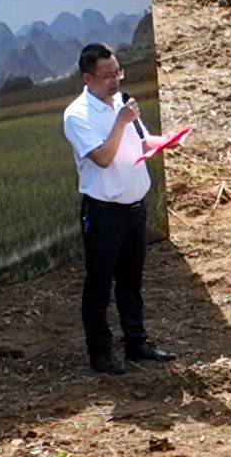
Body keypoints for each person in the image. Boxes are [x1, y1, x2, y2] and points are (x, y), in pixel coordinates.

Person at [65, 41, 182, 370]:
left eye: (117, 72)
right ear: (87, 78)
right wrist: (120, 121)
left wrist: (169, 139)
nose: (114, 81)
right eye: (106, 76)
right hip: (104, 212)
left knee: (132, 280)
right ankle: (100, 352)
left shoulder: (123, 101)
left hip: (134, 207)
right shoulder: (77, 115)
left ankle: (136, 341)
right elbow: (102, 158)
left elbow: (142, 141)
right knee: (100, 284)